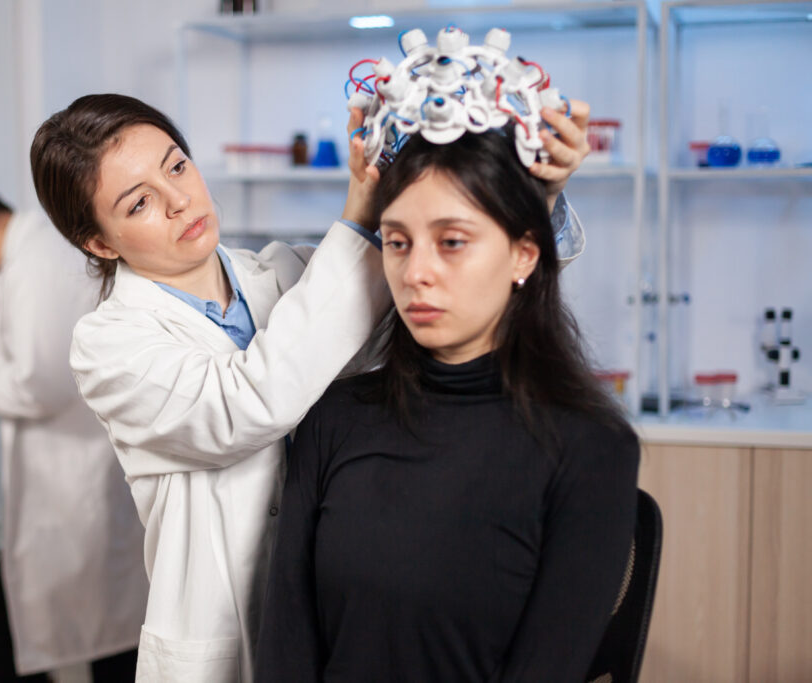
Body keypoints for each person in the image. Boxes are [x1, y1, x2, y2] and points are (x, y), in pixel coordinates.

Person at [29, 93, 591, 682]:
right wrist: (359, 212)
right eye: (140, 202)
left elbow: (443, 310)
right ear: (99, 242)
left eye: (176, 166)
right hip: (226, 648)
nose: (178, 200)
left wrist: (537, 191)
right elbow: (248, 404)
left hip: (339, 623)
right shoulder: (108, 344)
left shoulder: (289, 274)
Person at [254, 129, 640, 682]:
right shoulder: (334, 417)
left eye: (452, 242)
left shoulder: (591, 447)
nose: (415, 274)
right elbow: (286, 651)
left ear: (524, 254)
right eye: (397, 241)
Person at [0, 182, 148, 682]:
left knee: (110, 639)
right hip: (78, 482)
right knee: (104, 635)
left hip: (79, 487)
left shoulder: (36, 263)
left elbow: (38, 386)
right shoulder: (34, 253)